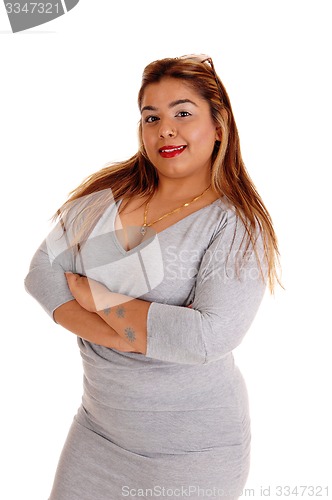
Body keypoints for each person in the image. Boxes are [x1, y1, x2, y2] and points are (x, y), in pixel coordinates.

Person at [24, 54, 280, 500]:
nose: (166, 129)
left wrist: (97, 297)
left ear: (219, 125)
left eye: (183, 113)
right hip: (97, 434)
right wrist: (126, 336)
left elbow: (206, 337)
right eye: (151, 117)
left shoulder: (235, 224)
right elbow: (42, 274)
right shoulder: (106, 197)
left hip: (191, 451)